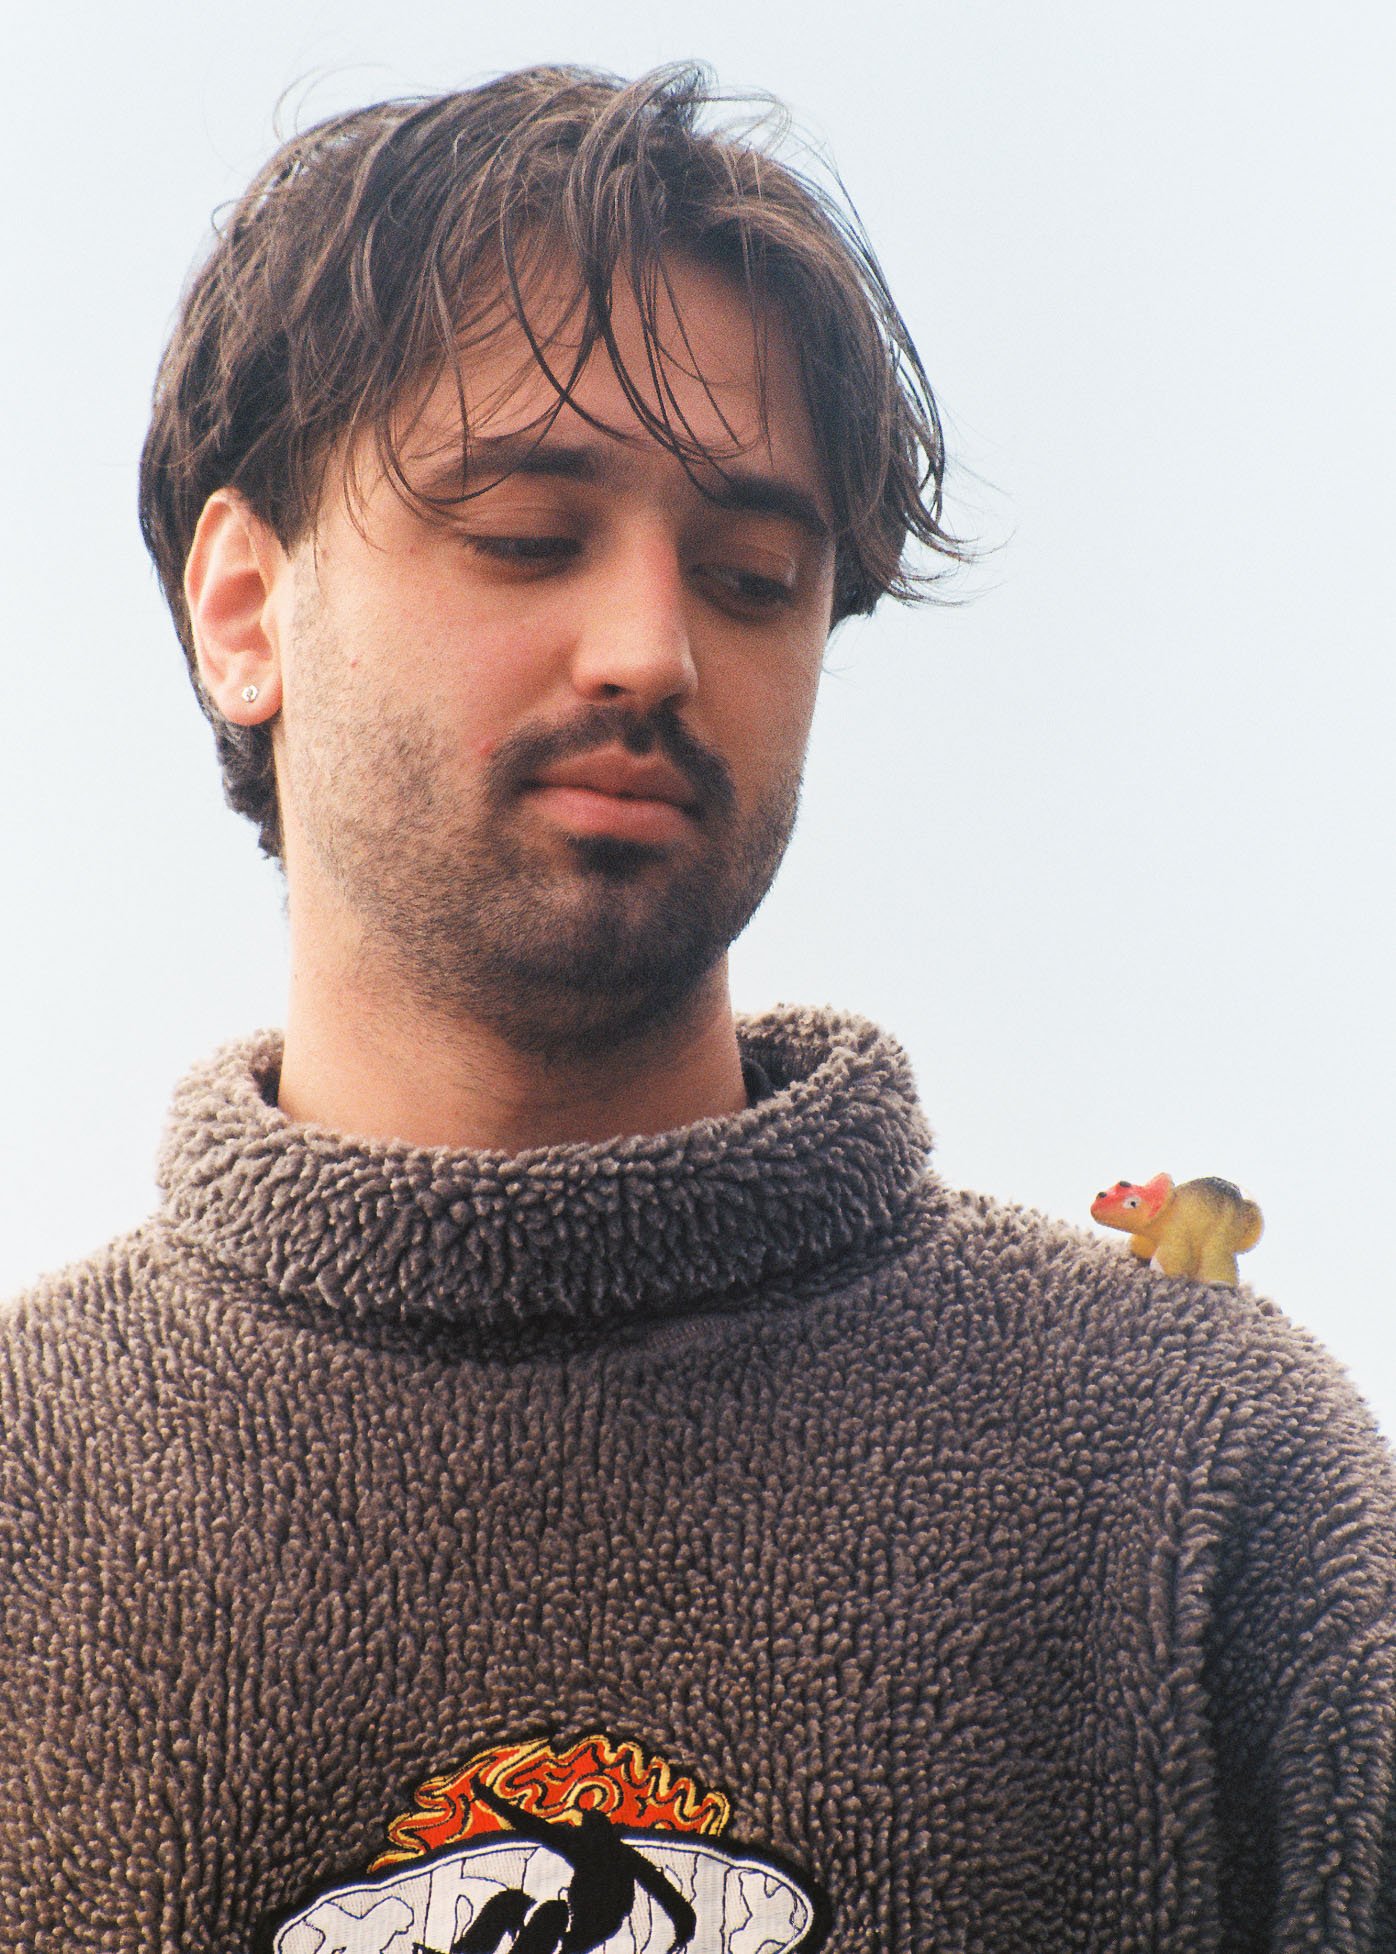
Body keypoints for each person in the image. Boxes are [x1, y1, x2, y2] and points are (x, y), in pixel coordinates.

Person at [1, 63, 1392, 1954]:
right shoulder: (34, 1494)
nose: (652, 647)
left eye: (750, 574)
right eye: (526, 533)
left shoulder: (1202, 1476)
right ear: (243, 609)